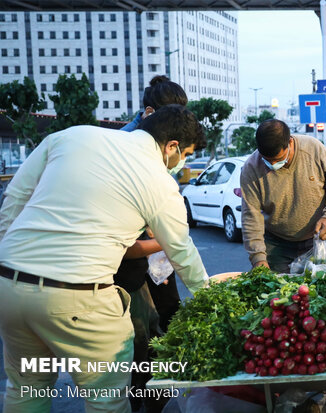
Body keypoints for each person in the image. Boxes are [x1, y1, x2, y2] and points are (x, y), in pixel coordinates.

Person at [0, 104, 208, 413]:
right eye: (187, 154)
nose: (183, 162)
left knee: (26, 389)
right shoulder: (160, 182)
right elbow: (181, 250)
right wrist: (210, 295)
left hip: (10, 287)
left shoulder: (70, 136)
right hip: (78, 299)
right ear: (172, 146)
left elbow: (14, 199)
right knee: (105, 399)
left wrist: (11, 259)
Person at [117, 75, 189, 413]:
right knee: (139, 336)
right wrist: (164, 239)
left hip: (158, 257)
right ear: (149, 113)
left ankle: (156, 396)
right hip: (130, 259)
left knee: (169, 320)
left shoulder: (162, 143)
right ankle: (143, 399)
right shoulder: (124, 146)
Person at [240, 119, 326, 272]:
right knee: (277, 291)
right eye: (267, 161)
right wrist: (258, 258)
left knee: (318, 290)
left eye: (278, 160)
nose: (273, 166)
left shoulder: (313, 149)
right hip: (276, 244)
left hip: (316, 238)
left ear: (290, 142)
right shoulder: (251, 168)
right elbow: (251, 216)